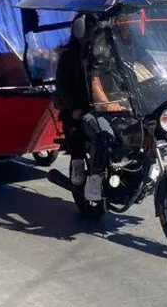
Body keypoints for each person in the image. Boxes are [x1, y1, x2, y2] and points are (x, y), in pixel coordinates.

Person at [54, 15, 129, 202]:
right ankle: (91, 174)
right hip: (80, 107)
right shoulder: (69, 55)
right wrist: (74, 108)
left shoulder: (106, 53)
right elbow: (63, 86)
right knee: (97, 134)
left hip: (104, 107)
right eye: (92, 27)